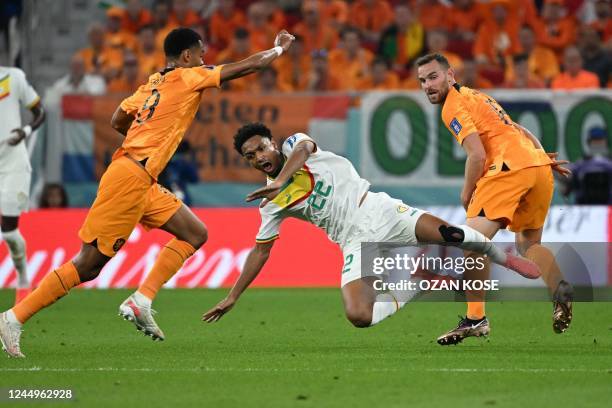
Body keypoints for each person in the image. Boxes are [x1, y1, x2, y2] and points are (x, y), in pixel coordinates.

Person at [0, 27, 296, 358]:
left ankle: (142, 299)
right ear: (186, 56)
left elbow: (117, 119)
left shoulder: (151, 84)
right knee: (89, 265)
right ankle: (13, 318)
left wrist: (144, 133)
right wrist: (279, 49)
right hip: (129, 177)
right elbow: (249, 66)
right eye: (200, 54)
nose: (204, 59)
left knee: (194, 233)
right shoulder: (188, 77)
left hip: (143, 178)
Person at [202, 123, 541, 329]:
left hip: (378, 210)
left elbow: (305, 149)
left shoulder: (294, 145)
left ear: (272, 143)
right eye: (250, 155)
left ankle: (504, 256)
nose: (259, 155)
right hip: (353, 242)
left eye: (261, 146)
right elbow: (261, 252)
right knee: (359, 316)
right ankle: (417, 282)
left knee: (450, 234)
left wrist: (281, 180)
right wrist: (233, 296)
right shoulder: (269, 202)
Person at [416, 53, 573, 345]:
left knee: (470, 242)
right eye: (422, 80)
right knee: (529, 245)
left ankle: (476, 319)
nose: (427, 85)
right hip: (537, 167)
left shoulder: (453, 106)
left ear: (450, 75)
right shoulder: (479, 97)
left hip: (507, 169)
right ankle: (558, 286)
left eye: (433, 76)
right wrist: (542, 157)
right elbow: (520, 130)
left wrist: (466, 194)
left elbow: (477, 155)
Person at [0, 65, 45, 305]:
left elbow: (40, 112)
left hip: (13, 164)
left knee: (8, 231)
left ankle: (22, 277)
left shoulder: (12, 77)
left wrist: (25, 131)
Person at [562, 127, 612, 205]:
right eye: (595, 140)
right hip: (584, 210)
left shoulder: (609, 163)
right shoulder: (580, 165)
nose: (597, 143)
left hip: (608, 210)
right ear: (589, 143)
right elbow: (565, 190)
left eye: (600, 140)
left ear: (605, 142)